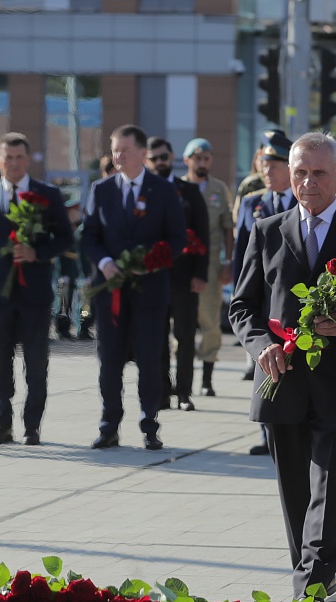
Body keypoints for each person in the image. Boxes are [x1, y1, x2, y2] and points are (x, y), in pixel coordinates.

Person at [230, 132, 336, 600]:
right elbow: (242, 307)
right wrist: (260, 345)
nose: (307, 182)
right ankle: (308, 573)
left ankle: (312, 584)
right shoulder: (266, 231)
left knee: (328, 482)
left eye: (319, 173)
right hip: (279, 379)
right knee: (294, 492)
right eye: (299, 172)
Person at [82, 124, 188, 450]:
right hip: (111, 291)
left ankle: (150, 424)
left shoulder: (163, 191)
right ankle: (108, 425)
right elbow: (88, 237)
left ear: (143, 153)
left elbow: (177, 239)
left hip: (149, 292)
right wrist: (104, 263)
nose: (118, 156)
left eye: (124, 150)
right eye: (115, 150)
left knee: (149, 360)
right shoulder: (101, 190)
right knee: (109, 361)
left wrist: (151, 262)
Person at [0, 133, 71, 445]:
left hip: (35, 295)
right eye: (7, 158)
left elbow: (66, 238)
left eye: (19, 157)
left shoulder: (48, 195)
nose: (14, 163)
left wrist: (37, 253)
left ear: (28, 159)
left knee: (36, 363)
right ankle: (2, 425)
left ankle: (32, 426)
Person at [234, 130, 294, 455]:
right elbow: (240, 256)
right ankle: (264, 431)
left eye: (275, 164)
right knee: (263, 359)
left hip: (287, 300)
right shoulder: (251, 203)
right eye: (265, 163)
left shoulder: (302, 202)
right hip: (260, 298)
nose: (267, 170)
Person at [147, 137, 210, 412]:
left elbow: (204, 233)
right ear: (147, 161)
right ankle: (161, 392)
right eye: (155, 158)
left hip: (185, 277)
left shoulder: (188, 191)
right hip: (153, 277)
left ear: (173, 157)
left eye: (164, 157)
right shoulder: (143, 190)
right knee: (157, 338)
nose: (160, 162)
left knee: (185, 337)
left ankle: (184, 391)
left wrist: (200, 274)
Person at [182, 137, 235, 398]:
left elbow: (228, 227)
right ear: (187, 160)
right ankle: (180, 378)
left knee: (210, 320)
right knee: (179, 323)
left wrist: (228, 263)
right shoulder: (177, 187)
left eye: (206, 158)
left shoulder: (219, 188)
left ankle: (207, 379)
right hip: (181, 263)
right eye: (197, 158)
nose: (202, 163)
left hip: (212, 263)